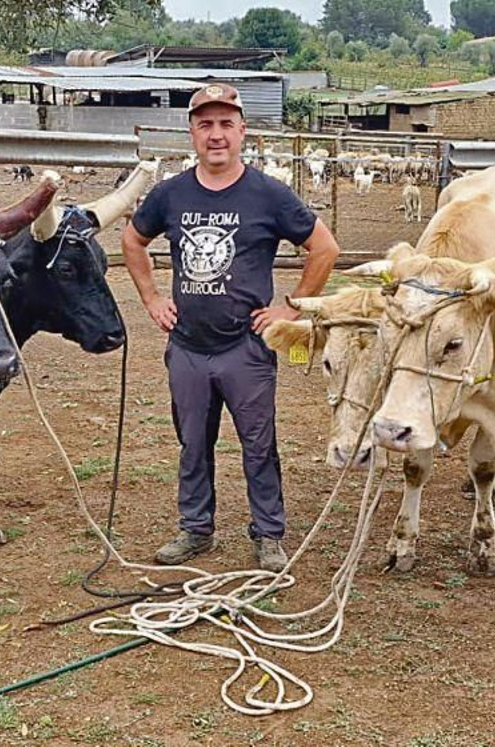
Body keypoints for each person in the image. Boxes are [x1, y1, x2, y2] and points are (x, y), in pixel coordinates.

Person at [120, 84, 341, 572]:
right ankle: (196, 528)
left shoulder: (268, 194)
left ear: (242, 131)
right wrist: (152, 298)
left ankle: (268, 533)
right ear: (192, 132)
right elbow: (132, 240)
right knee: (192, 442)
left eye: (225, 125)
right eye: (205, 124)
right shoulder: (171, 194)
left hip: (245, 348)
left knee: (258, 443)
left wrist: (292, 310)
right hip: (188, 348)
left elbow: (324, 248)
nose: (215, 135)